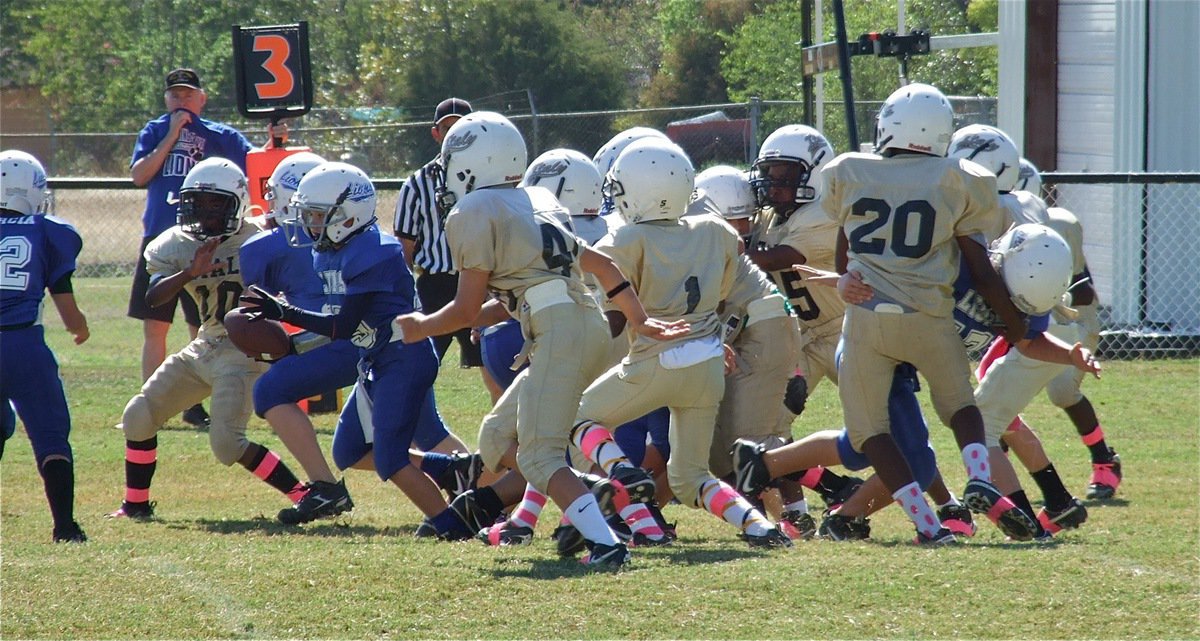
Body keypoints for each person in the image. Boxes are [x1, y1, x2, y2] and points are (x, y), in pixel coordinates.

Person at [395, 112, 689, 567]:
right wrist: (642, 321)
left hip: (558, 331)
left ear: (472, 163)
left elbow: (466, 310)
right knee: (496, 434)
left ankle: (607, 543)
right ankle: (594, 488)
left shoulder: (472, 211)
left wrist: (418, 327)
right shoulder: (534, 199)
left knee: (539, 456)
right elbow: (604, 270)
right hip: (584, 323)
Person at [822, 82, 1035, 544]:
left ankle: (927, 524)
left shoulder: (849, 170)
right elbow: (979, 269)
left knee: (870, 432)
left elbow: (843, 258)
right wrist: (1015, 327)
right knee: (960, 405)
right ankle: (978, 474)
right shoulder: (961, 178)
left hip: (869, 319)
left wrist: (849, 277)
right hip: (929, 316)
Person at [570, 137, 792, 549]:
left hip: (655, 362)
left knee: (576, 419)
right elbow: (728, 275)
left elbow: (598, 274)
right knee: (691, 478)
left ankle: (622, 473)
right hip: (706, 363)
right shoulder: (714, 230)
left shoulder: (625, 239)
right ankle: (760, 526)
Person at [243, 161, 482, 539]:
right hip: (376, 358)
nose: (310, 225)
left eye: (318, 215)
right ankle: (452, 469)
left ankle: (454, 526)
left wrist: (282, 312)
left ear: (349, 215)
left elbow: (345, 326)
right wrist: (292, 341)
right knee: (349, 451)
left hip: (402, 359)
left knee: (391, 459)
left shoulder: (377, 251)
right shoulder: (337, 248)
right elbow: (343, 323)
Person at [109, 158, 307, 520]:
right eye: (197, 203)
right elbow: (154, 297)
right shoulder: (177, 245)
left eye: (216, 203)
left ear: (237, 203)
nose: (205, 212)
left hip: (245, 351)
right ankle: (135, 504)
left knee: (226, 443)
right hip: (205, 344)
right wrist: (190, 272)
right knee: (138, 415)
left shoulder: (261, 239)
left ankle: (302, 494)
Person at [128, 68, 283, 429]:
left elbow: (256, 166)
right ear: (166, 99)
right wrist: (171, 134)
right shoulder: (155, 130)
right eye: (174, 95)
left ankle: (194, 400)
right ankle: (155, 398)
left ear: (202, 97)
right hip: (164, 236)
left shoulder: (221, 135)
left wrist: (274, 141)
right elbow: (140, 175)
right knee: (155, 325)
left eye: (187, 95)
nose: (181, 101)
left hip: (212, 238)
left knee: (201, 323)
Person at [0, 150, 90, 542]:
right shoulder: (48, 231)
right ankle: (65, 527)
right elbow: (64, 301)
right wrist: (79, 326)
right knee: (50, 435)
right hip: (24, 345)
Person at [392, 98, 501, 397]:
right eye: (447, 129)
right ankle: (418, 435)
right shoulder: (417, 183)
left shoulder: (490, 178)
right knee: (418, 369)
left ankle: (503, 440)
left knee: (493, 367)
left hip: (481, 281)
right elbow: (405, 245)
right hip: (434, 285)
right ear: (436, 134)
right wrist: (406, 296)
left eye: (461, 130)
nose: (454, 135)